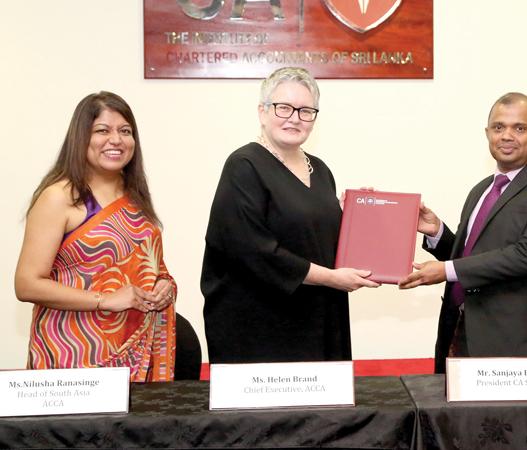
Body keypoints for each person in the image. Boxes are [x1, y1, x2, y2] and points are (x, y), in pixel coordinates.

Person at [202, 67, 379, 364]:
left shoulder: (320, 170)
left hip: (318, 316)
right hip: (260, 326)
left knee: (322, 409)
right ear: (262, 111)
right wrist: (331, 279)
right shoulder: (244, 166)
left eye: (306, 111)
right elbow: (256, 252)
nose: (294, 118)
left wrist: (352, 215)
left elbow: (311, 233)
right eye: (283, 107)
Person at [399, 92, 527, 373]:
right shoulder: (481, 190)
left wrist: (445, 270)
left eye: (519, 128)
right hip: (460, 336)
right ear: (487, 133)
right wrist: (437, 232)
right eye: (498, 127)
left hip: (518, 348)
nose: (507, 136)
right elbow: (472, 257)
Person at [14, 91, 176, 382]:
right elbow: (27, 284)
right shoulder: (60, 197)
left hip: (135, 351)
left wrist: (164, 283)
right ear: (81, 138)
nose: (116, 140)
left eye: (125, 131)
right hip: (72, 355)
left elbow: (147, 265)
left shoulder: (135, 196)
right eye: (102, 130)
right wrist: (103, 300)